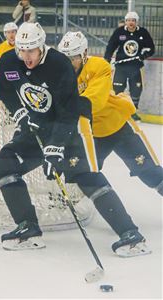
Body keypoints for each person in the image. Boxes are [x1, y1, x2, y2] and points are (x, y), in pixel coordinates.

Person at [0, 22, 147, 257]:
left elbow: (69, 111)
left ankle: (130, 234)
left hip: (69, 128)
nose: (25, 57)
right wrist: (20, 113)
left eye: (31, 50)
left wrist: (55, 148)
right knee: (4, 163)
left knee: (83, 175)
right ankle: (28, 228)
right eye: (21, 50)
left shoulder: (59, 65)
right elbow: (3, 89)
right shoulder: (8, 60)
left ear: (42, 46)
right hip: (36, 130)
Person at [59, 30, 163, 254]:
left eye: (74, 57)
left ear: (84, 53)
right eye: (66, 57)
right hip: (94, 136)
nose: (70, 62)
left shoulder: (99, 67)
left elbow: (92, 102)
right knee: (85, 175)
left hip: (118, 128)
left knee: (151, 175)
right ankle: (127, 230)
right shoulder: (60, 74)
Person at [104, 11, 155, 121]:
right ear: (126, 21)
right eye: (128, 20)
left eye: (133, 20)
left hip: (135, 67)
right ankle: (118, 111)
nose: (130, 22)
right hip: (121, 66)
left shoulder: (143, 32)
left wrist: (144, 55)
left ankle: (133, 112)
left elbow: (151, 48)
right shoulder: (119, 32)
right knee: (118, 89)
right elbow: (111, 46)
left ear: (136, 22)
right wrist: (106, 59)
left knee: (136, 89)